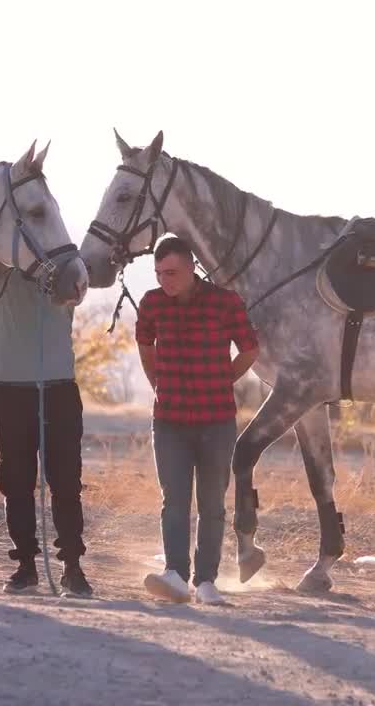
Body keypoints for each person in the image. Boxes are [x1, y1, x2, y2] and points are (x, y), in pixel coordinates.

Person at [134, 235, 259, 605]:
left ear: (192, 267)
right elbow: (145, 346)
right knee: (173, 499)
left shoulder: (225, 302)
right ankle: (174, 574)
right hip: (169, 420)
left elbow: (250, 348)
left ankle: (206, 581)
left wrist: (223, 378)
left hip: (216, 420)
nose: (164, 281)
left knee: (212, 504)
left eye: (172, 272)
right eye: (158, 274)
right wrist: (157, 384)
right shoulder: (152, 303)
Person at [0, 251, 92, 598]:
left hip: (59, 389)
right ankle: (25, 567)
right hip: (10, 390)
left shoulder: (67, 269)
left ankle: (72, 568)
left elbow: (78, 286)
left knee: (66, 481)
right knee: (16, 480)